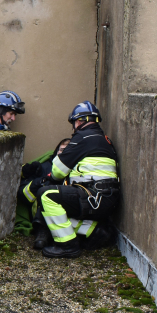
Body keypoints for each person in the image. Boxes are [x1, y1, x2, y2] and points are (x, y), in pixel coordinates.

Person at [32, 102, 120, 258]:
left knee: (46, 195)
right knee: (57, 211)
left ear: (78, 122)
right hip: (105, 198)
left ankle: (67, 246)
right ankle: (94, 231)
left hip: (94, 196)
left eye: (73, 124)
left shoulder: (82, 137)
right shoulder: (106, 140)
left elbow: (57, 172)